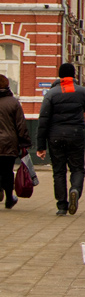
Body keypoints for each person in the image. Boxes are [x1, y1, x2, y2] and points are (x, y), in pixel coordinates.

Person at [36, 63, 85, 216]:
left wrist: (40, 146)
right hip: (76, 134)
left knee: (59, 171)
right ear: (74, 75)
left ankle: (62, 205)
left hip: (55, 136)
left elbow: (43, 120)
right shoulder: (82, 91)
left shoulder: (51, 94)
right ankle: (75, 189)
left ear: (59, 76)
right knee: (77, 168)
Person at [0, 74, 30, 209]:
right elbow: (21, 125)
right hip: (9, 143)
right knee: (7, 171)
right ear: (7, 86)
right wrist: (25, 142)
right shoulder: (13, 102)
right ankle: (9, 198)